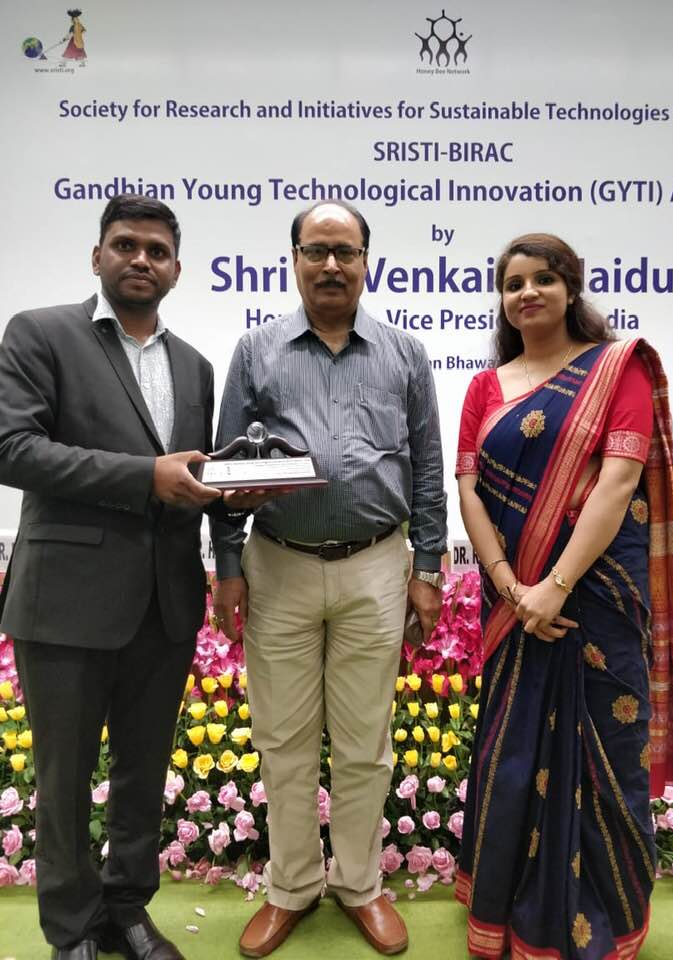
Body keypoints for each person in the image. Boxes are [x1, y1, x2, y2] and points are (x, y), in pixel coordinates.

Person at [454, 233, 673, 959]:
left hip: (596, 598)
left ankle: (607, 918)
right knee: (512, 757)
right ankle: (508, 916)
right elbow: (468, 491)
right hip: (514, 601)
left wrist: (554, 586)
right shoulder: (485, 388)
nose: (527, 293)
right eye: (513, 284)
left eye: (543, 279)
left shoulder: (617, 369)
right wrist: (512, 588)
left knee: (606, 755)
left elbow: (619, 483)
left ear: (570, 289)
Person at [212, 199, 447, 957]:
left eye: (345, 251)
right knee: (281, 740)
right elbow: (225, 467)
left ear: (367, 262)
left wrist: (429, 568)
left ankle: (358, 884)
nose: (331, 265)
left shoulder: (405, 353)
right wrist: (226, 565)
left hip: (376, 566)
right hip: (277, 563)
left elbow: (428, 468)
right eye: (316, 250)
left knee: (364, 744)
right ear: (294, 260)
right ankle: (290, 887)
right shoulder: (257, 351)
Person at [0, 195, 224, 960]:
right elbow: (13, 449)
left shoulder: (195, 366)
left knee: (143, 773)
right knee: (62, 781)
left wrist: (233, 492)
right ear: (97, 256)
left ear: (176, 270)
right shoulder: (41, 334)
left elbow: (191, 477)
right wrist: (144, 477)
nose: (141, 260)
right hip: (65, 602)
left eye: (157, 251)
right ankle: (71, 930)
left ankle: (127, 910)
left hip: (166, 604)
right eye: (125, 245)